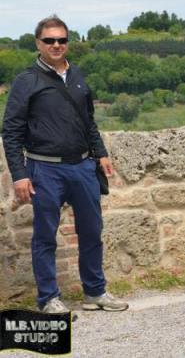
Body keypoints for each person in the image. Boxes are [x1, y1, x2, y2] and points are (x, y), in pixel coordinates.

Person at [2, 15, 129, 313]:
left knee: (91, 232)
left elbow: (89, 122)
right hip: (44, 169)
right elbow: (11, 132)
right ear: (38, 43)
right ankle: (48, 299)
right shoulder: (26, 81)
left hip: (83, 167)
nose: (56, 45)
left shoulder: (77, 75)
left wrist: (101, 153)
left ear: (68, 42)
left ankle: (95, 293)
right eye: (50, 40)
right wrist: (20, 176)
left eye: (62, 40)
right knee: (46, 236)